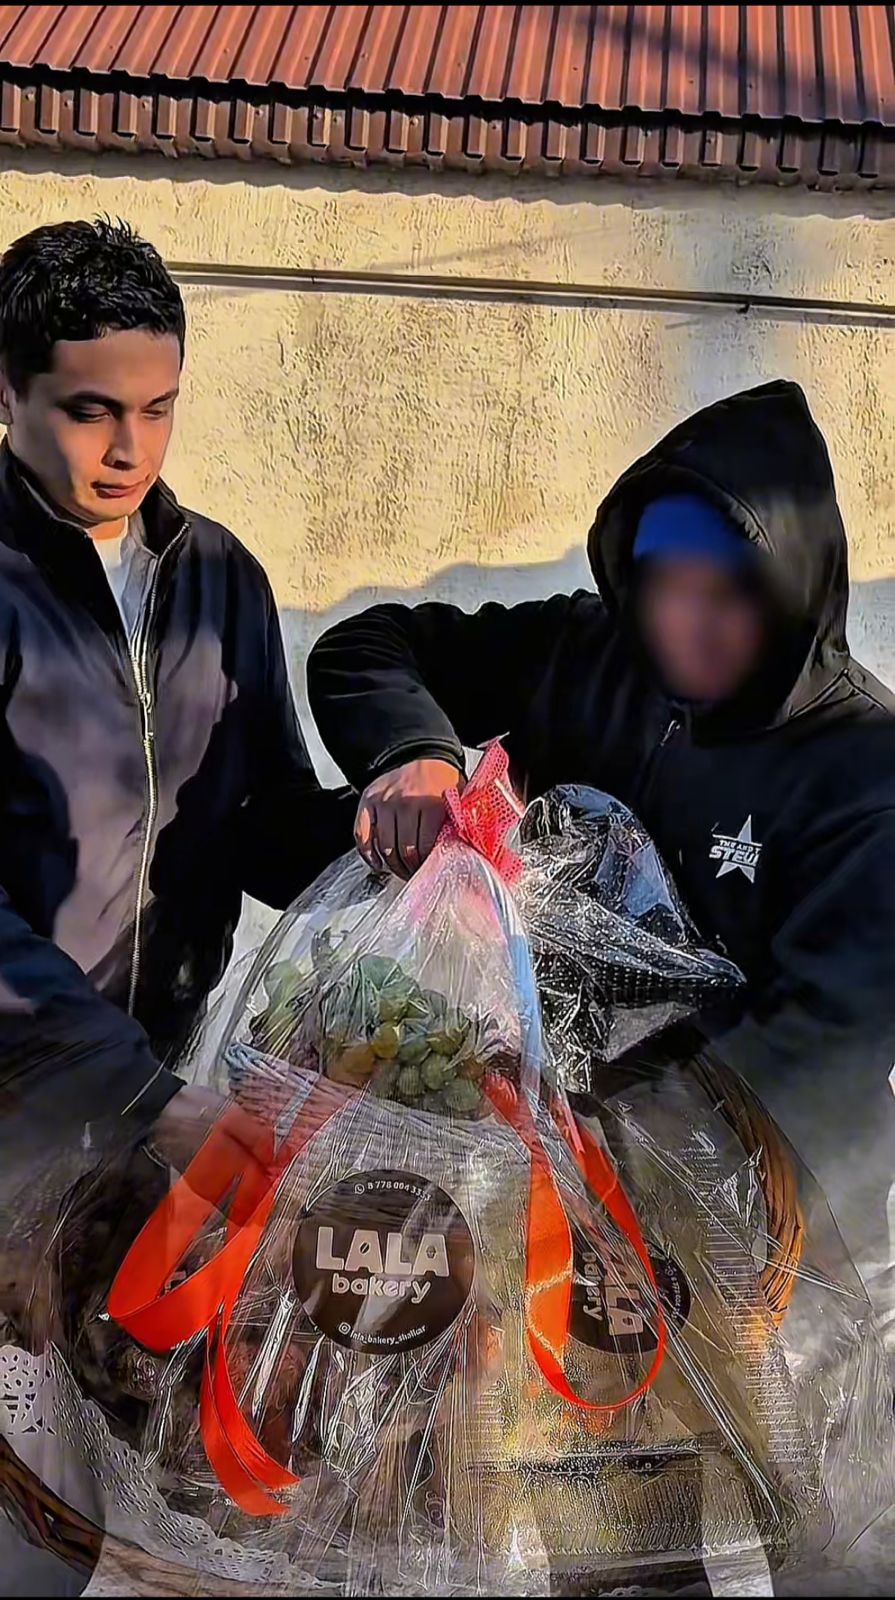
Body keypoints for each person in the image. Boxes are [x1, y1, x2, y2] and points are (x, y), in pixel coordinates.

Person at [308, 380, 895, 1343]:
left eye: (728, 596)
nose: (689, 623)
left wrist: (591, 1137)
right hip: (539, 1185)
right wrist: (414, 753)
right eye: (667, 587)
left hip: (762, 1238)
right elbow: (366, 647)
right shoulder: (587, 652)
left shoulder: (863, 770)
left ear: (792, 592)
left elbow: (815, 1051)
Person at [0, 218, 354, 1184]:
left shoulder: (219, 575)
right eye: (91, 411)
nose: (131, 448)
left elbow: (261, 824)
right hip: (30, 1104)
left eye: (159, 409)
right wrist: (133, 1095)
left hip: (169, 1088)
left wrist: (384, 831)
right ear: (8, 390)